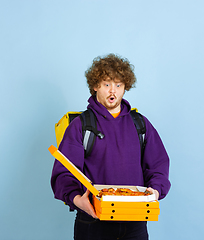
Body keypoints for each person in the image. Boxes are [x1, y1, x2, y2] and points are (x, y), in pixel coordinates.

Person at [51, 53, 171, 240]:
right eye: (107, 84)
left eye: (118, 85)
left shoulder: (140, 124)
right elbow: (63, 173)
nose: (112, 91)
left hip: (135, 222)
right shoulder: (81, 125)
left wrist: (154, 191)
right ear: (95, 86)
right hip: (93, 221)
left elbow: (158, 165)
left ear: (125, 87)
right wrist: (77, 200)